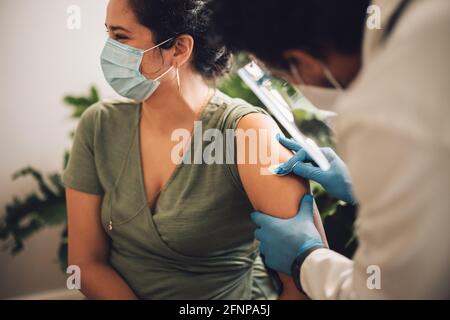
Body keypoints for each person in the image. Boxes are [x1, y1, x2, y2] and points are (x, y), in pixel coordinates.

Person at [63, 0, 328, 299]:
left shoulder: (247, 133)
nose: (108, 50)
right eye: (108, 34)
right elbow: (85, 263)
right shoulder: (99, 125)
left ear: (179, 49)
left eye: (121, 37)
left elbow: (305, 287)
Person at [211, 0, 450, 299]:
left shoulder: (386, 118)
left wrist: (306, 260)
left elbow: (390, 293)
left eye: (283, 80)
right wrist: (362, 185)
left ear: (303, 62)